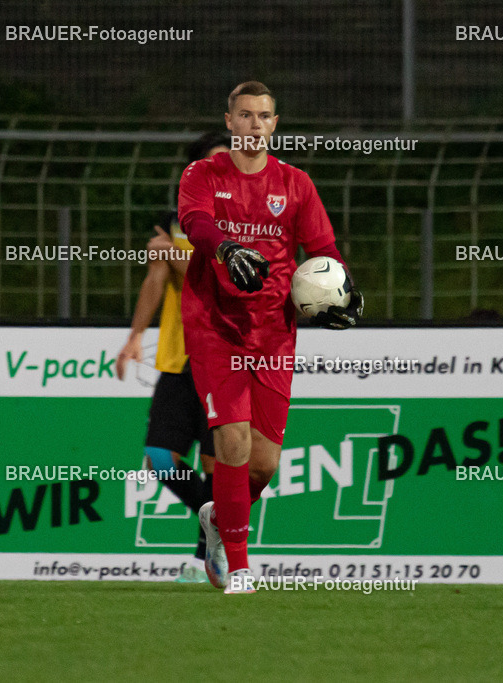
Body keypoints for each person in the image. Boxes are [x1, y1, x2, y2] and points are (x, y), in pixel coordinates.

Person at [178, 81, 363, 594]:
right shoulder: (203, 174)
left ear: (274, 125)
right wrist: (225, 248)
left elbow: (323, 249)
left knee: (264, 466)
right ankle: (239, 566)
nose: (255, 125)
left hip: (274, 331)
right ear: (230, 121)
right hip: (216, 326)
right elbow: (194, 222)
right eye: (245, 115)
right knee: (231, 439)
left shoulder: (296, 184)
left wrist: (340, 290)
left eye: (264, 116)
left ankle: (219, 519)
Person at [116, 132, 230, 583]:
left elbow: (218, 281)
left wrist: (172, 253)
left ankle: (209, 557)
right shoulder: (177, 219)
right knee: (160, 457)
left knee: (214, 464)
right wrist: (135, 336)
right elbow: (157, 278)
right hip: (179, 357)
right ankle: (218, 524)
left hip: (224, 355)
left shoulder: (247, 224)